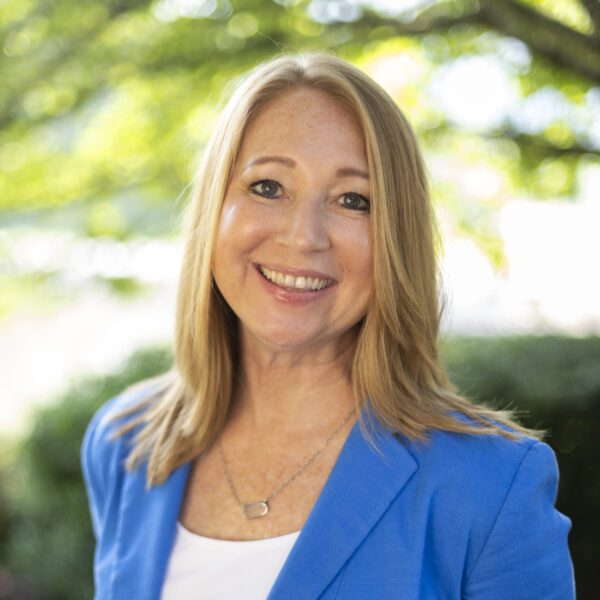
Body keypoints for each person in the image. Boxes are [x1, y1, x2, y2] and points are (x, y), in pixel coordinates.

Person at [81, 52, 575, 600]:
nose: (303, 237)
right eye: (268, 187)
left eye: (352, 200)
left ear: (395, 240)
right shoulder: (125, 443)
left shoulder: (491, 485)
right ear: (213, 210)